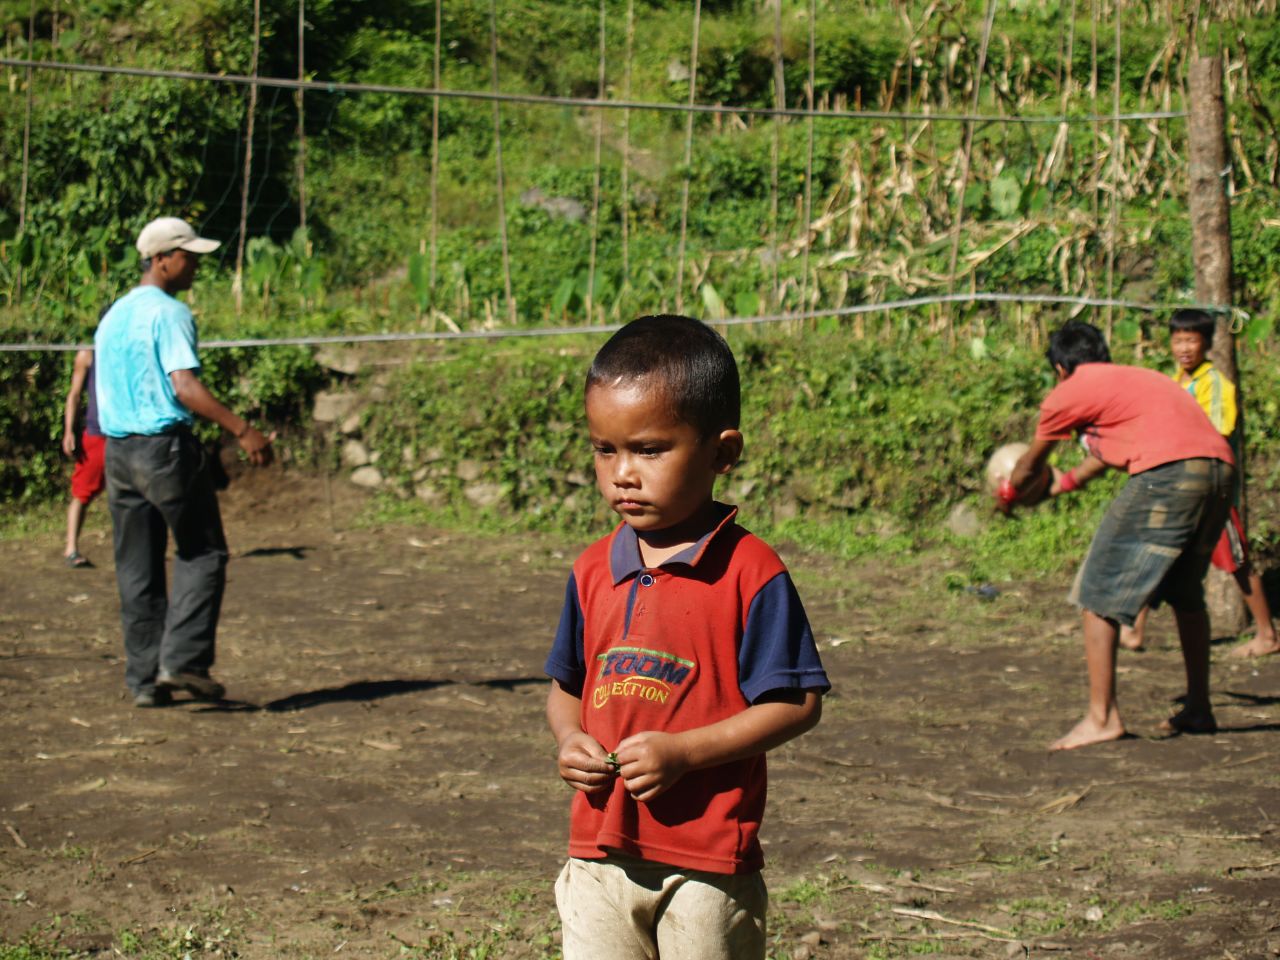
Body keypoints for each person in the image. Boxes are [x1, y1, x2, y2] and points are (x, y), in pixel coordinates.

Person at [544, 315, 830, 960]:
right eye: (604, 449)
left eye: (649, 450)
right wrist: (570, 740)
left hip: (706, 863)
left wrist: (685, 754)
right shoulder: (593, 569)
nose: (622, 472)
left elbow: (796, 703)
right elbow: (566, 687)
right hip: (599, 854)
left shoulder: (751, 572)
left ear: (722, 453)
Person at [1004, 320, 1234, 750]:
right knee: (1186, 591)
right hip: (1220, 470)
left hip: (1170, 473)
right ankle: (1199, 707)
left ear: (1060, 367)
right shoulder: (1137, 381)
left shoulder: (1067, 391)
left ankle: (1102, 716)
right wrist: (1062, 485)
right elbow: (1098, 461)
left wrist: (1008, 495)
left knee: (1097, 592)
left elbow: (1029, 467)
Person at [95, 216, 274, 708]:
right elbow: (184, 386)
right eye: (187, 255)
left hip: (119, 453)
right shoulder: (169, 313)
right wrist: (243, 430)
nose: (195, 264)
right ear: (161, 259)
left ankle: (144, 680)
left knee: (137, 568)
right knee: (202, 552)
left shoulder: (113, 316)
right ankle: (185, 660)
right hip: (162, 449)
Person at [1118, 309, 1278, 658]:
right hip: (1178, 487)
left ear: (1206, 343)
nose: (1184, 348)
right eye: (1178, 340)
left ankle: (1267, 634)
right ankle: (1134, 630)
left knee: (1235, 561)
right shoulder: (1175, 382)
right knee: (1158, 551)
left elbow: (1217, 433)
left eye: (1191, 340)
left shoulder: (1216, 384)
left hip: (1211, 490)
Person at [61, 342, 104, 567]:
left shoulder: (127, 348)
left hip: (126, 433)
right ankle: (71, 548)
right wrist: (69, 431)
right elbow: (74, 394)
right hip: (97, 433)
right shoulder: (88, 354)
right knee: (82, 492)